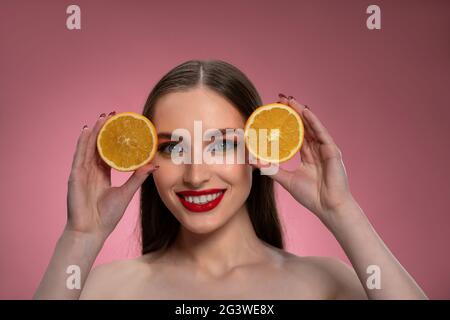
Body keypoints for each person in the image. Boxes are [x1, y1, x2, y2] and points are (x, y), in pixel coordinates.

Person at [34, 60, 427, 299]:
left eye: (221, 145)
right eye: (173, 148)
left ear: (256, 151)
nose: (196, 174)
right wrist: (80, 238)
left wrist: (342, 211)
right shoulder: (104, 289)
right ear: (148, 158)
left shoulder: (325, 283)